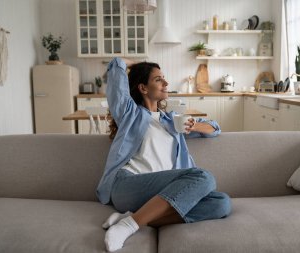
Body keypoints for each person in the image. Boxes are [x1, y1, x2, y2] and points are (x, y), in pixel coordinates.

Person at [97, 57, 231, 252]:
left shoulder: (172, 122)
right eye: (158, 79)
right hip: (128, 185)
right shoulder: (130, 114)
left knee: (221, 203)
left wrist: (195, 125)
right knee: (204, 177)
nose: (166, 83)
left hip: (163, 194)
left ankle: (132, 218)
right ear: (143, 88)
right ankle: (127, 227)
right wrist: (135, 61)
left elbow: (215, 128)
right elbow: (116, 67)